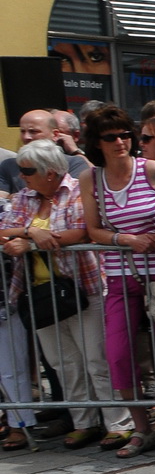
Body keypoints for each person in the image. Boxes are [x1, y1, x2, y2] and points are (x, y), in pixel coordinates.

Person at [79, 106, 155, 455]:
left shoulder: (153, 170)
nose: (120, 142)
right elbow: (94, 230)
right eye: (111, 137)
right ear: (96, 143)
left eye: (125, 135)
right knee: (117, 354)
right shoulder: (92, 178)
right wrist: (127, 239)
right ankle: (141, 428)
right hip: (119, 274)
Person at [1, 141, 126, 449]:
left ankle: (119, 422)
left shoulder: (76, 190)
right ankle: (84, 423)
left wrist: (27, 242)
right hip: (40, 292)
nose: (22, 176)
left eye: (28, 171)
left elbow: (80, 231)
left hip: (83, 287)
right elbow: (3, 229)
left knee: (96, 358)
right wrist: (32, 233)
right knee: (62, 362)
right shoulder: (24, 196)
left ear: (51, 172)